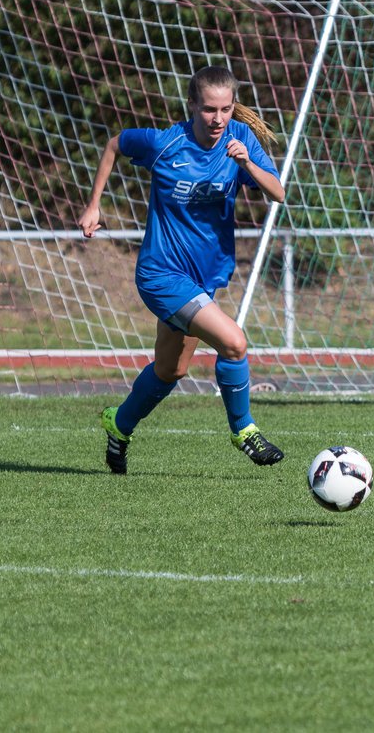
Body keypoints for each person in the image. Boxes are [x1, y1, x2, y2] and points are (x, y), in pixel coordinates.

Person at [77, 66, 286, 474]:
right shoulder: (164, 142)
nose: (218, 119)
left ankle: (118, 426)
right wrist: (94, 204)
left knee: (170, 370)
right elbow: (115, 144)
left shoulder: (240, 140)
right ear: (192, 105)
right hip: (161, 274)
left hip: (202, 278)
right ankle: (244, 431)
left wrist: (248, 165)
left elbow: (278, 192)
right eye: (209, 109)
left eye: (226, 109)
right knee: (234, 344)